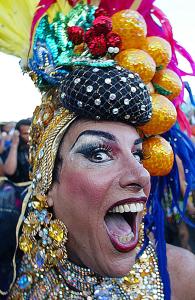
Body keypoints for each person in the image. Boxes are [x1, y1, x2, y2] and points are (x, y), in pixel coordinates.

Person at [1, 0, 195, 299]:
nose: (140, 175)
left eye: (138, 153)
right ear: (47, 181)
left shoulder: (182, 278)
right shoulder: (9, 262)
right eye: (99, 154)